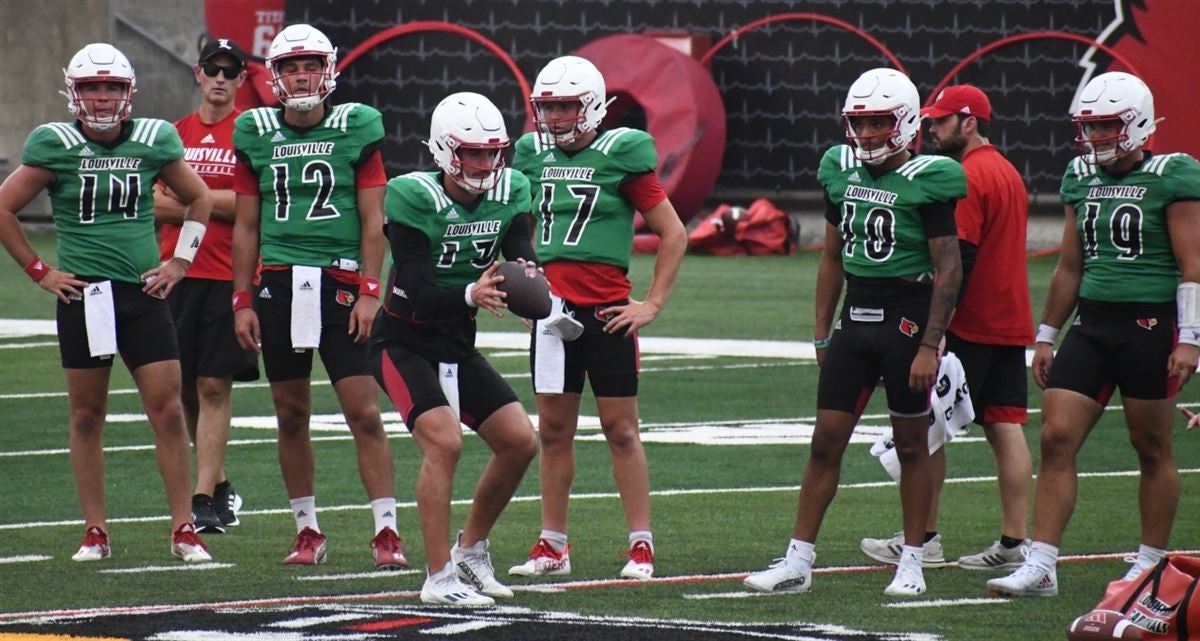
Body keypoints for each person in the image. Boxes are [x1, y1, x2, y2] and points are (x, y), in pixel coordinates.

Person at [744, 68, 965, 597]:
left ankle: (911, 561)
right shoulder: (840, 169)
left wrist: (931, 344)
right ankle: (798, 560)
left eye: (877, 122)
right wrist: (821, 333)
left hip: (907, 316)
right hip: (858, 313)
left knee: (913, 445)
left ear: (906, 123)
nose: (865, 133)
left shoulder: (929, 178)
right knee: (825, 442)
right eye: (859, 122)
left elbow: (949, 268)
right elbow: (831, 256)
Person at [988, 71, 1200, 597]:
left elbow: (1192, 262)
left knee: (1150, 445)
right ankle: (1042, 564)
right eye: (1091, 126)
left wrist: (1190, 336)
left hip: (1150, 324)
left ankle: (1149, 561)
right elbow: (1068, 266)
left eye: (1107, 126)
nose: (1097, 137)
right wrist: (1046, 333)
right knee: (1056, 436)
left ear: (1138, 124)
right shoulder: (1080, 174)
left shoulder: (1173, 174)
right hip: (1092, 324)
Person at [0, 43, 213, 563]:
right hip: (84, 295)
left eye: (111, 87)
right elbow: (4, 207)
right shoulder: (54, 143)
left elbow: (200, 197)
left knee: (166, 410)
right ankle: (95, 529)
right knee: (87, 415)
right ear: (74, 92)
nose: (101, 97)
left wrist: (180, 262)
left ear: (128, 91)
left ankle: (184, 527)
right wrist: (41, 272)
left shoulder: (153, 138)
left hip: (141, 294)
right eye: (92, 87)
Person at [230, 24, 404, 568]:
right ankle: (307, 529)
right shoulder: (254, 130)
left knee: (364, 410)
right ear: (274, 76)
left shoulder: (357, 124)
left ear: (328, 70)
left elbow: (376, 219)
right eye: (290, 67)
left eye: (309, 65)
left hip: (341, 282)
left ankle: (386, 531)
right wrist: (241, 298)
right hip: (279, 282)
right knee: (290, 411)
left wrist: (372, 290)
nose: (301, 75)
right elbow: (245, 227)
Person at [507, 55, 687, 581]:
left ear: (591, 108)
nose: (555, 117)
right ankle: (552, 545)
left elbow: (673, 233)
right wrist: (527, 296)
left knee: (621, 430)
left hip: (608, 312)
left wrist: (651, 304)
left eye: (565, 106)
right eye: (549, 107)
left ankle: (641, 545)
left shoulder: (621, 151)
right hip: (553, 313)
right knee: (555, 431)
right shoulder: (531, 155)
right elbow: (514, 230)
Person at [370, 92, 539, 606]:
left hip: (455, 343)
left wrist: (536, 286)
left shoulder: (511, 190)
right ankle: (439, 577)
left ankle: (471, 551)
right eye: (474, 153)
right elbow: (419, 293)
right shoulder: (411, 196)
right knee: (444, 443)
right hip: (403, 340)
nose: (487, 164)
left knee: (519, 442)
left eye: (493, 153)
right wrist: (471, 292)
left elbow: (522, 259)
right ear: (446, 151)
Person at [859, 85, 1035, 571]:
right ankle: (1015, 542)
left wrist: (934, 334)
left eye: (939, 121)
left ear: (969, 122)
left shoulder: (964, 174)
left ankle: (926, 537)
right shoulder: (1006, 170)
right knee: (1006, 427)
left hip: (971, 322)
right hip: (1010, 318)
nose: (931, 130)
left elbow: (959, 260)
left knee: (926, 429)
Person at [154, 37, 258, 533]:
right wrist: (211, 201)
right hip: (175, 271)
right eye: (212, 69)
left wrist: (194, 199)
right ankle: (217, 484)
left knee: (216, 383)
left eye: (229, 71)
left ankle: (201, 498)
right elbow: (153, 205)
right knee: (185, 390)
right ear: (198, 74)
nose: (220, 78)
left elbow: (249, 207)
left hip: (225, 273)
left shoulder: (250, 134)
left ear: (241, 79)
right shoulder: (174, 134)